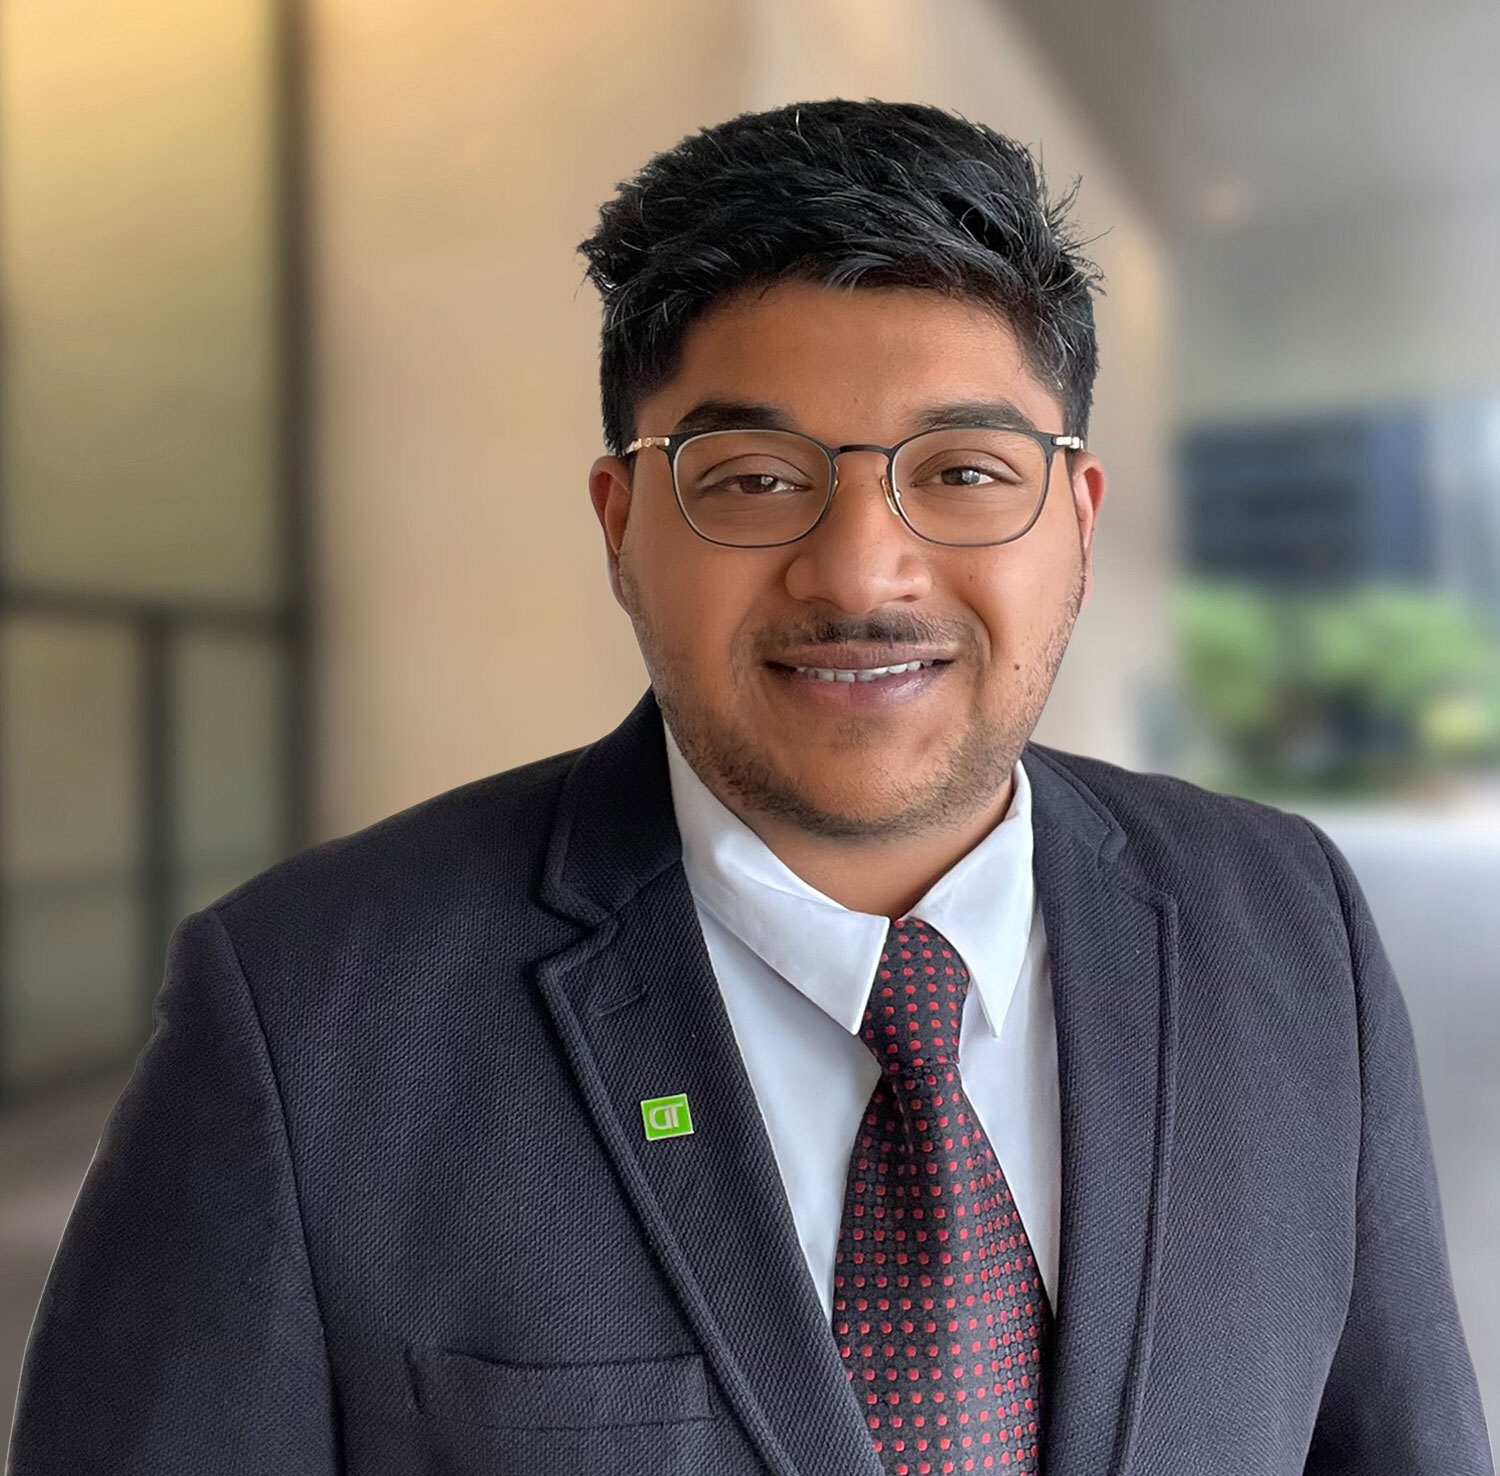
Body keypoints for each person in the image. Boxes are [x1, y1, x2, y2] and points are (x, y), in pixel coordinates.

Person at [6, 98, 1491, 1476]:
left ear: (1079, 520)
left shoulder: (1285, 927)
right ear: (621, 524)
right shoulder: (307, 1017)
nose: (859, 574)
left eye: (965, 472)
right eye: (755, 480)